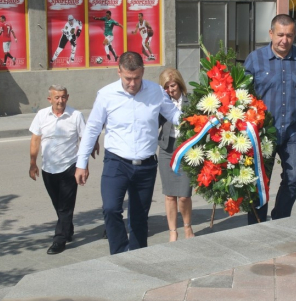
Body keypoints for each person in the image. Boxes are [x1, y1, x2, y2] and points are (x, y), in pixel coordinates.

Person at [75, 51, 181, 254]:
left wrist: (199, 120)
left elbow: (175, 115)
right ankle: (119, 255)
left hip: (146, 165)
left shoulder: (156, 91)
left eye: (137, 78)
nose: (132, 84)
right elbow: (93, 128)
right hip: (117, 163)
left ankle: (138, 257)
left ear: (143, 72)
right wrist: (82, 162)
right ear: (119, 72)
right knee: (110, 209)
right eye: (128, 79)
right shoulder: (106, 94)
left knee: (140, 217)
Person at [244, 14, 296, 224]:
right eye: (280, 35)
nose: (284, 40)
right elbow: (241, 97)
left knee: (293, 180)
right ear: (271, 33)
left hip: (293, 131)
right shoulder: (255, 59)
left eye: (289, 35)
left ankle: (280, 219)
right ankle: (257, 224)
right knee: (259, 181)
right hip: (262, 133)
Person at [29, 85, 87, 254]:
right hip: (48, 169)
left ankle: (59, 239)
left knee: (65, 207)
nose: (60, 101)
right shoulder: (41, 115)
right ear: (50, 99)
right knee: (58, 204)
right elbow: (35, 140)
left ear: (67, 97)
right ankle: (67, 228)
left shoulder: (76, 116)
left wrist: (84, 166)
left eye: (63, 97)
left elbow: (85, 140)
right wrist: (33, 163)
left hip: (69, 167)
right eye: (57, 98)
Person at [158, 68, 194, 242]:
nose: (170, 90)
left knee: (185, 194)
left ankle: (187, 226)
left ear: (179, 84)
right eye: (166, 87)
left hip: (186, 149)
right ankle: (173, 231)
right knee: (170, 194)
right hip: (167, 149)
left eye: (172, 86)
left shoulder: (191, 101)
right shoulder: (161, 103)